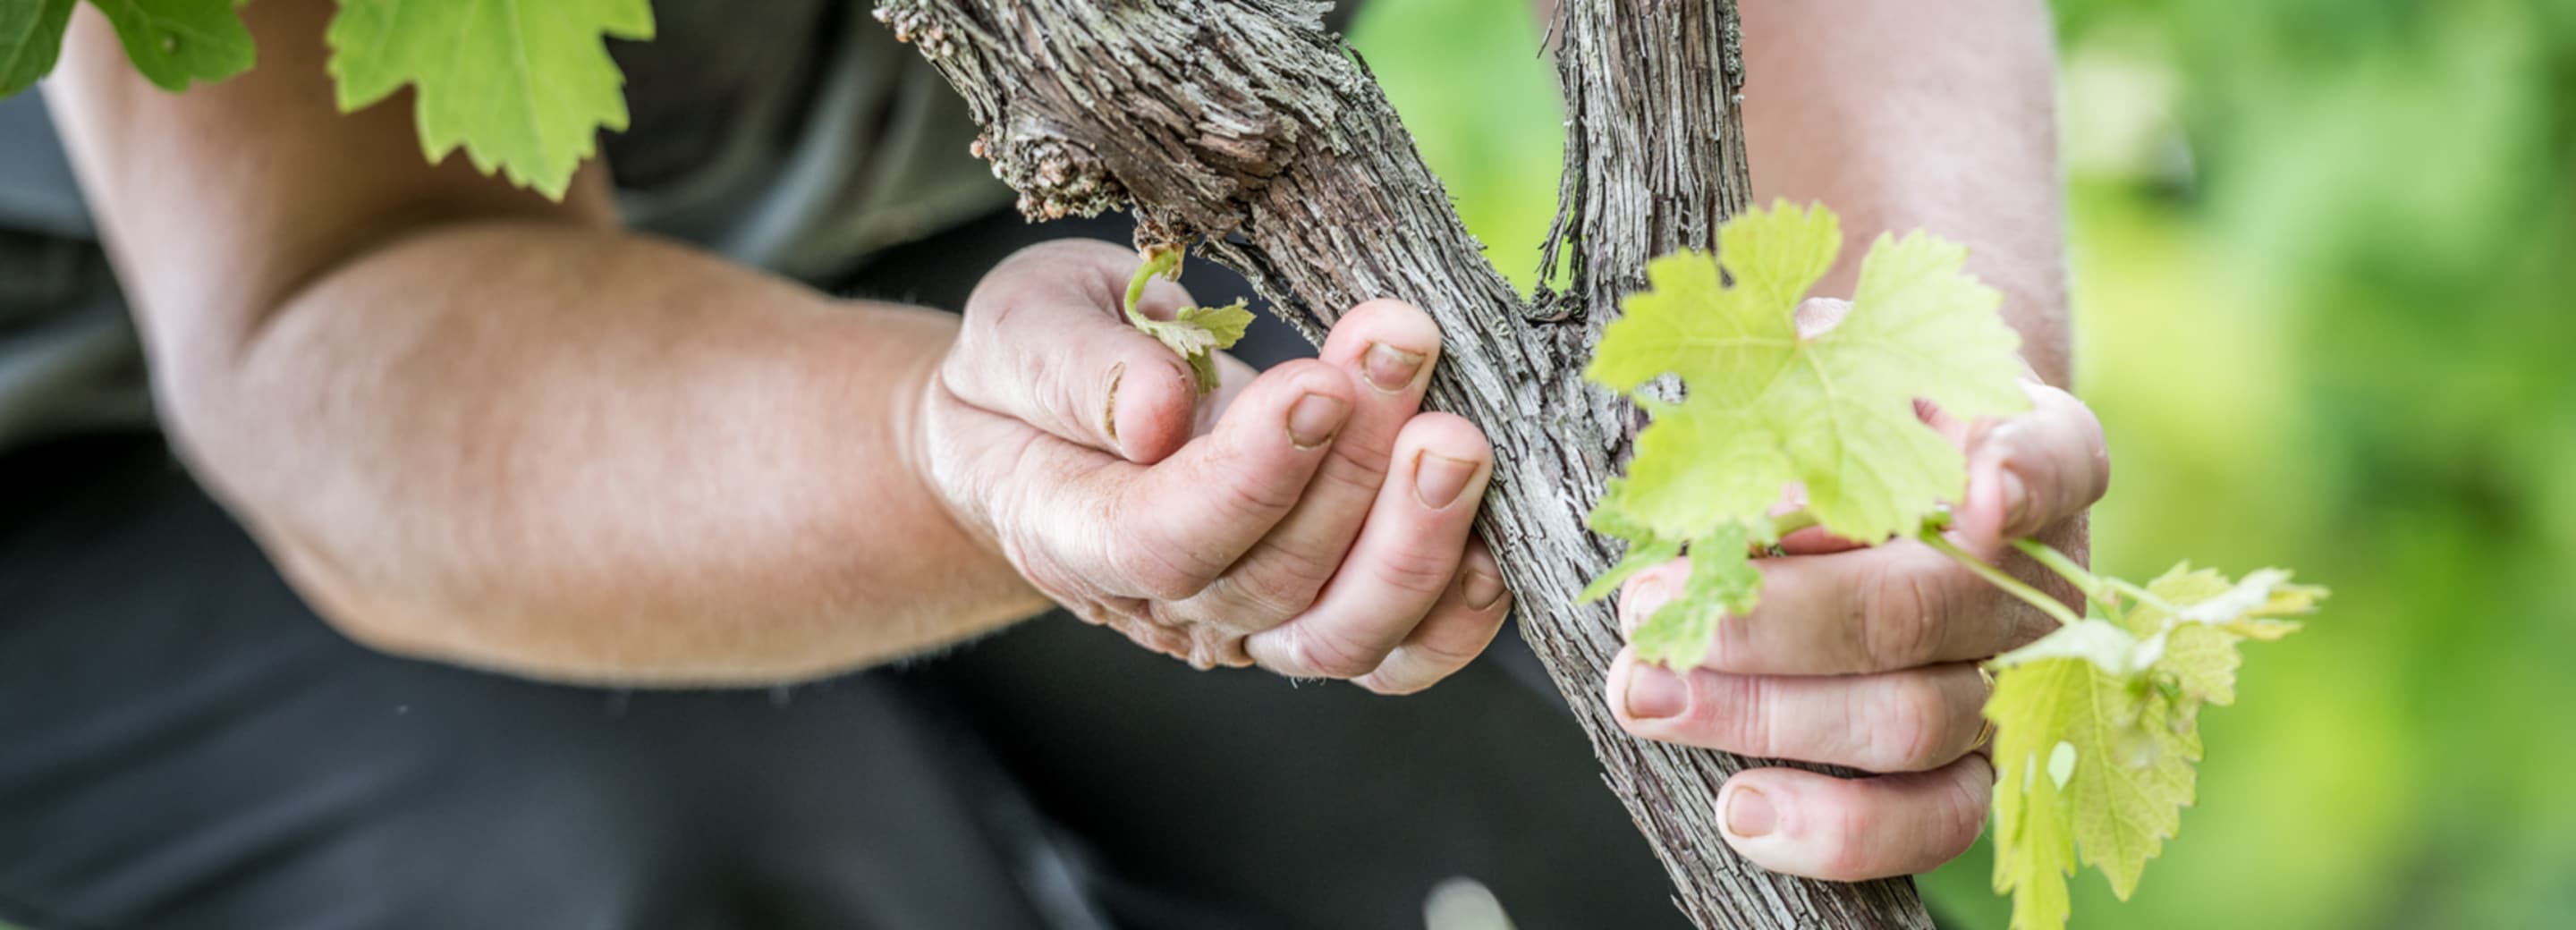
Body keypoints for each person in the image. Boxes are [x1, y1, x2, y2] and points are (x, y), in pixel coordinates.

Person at [0, 0, 2106, 927]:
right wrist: (946, 462)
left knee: (1548, 790)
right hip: (108, 411)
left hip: (1003, 199)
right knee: (676, 867)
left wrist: (1901, 425)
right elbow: (340, 304)